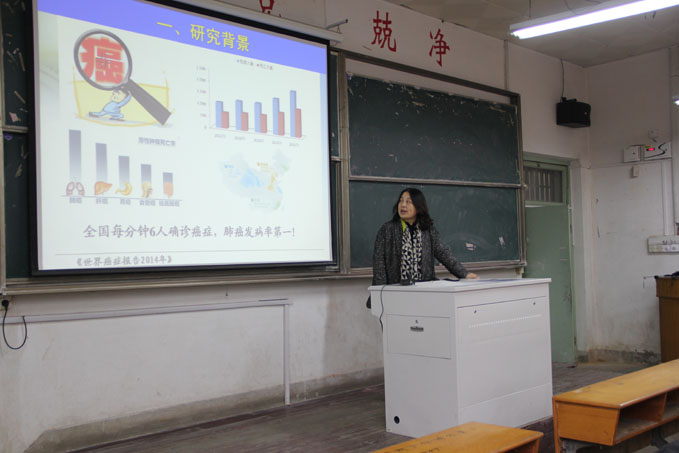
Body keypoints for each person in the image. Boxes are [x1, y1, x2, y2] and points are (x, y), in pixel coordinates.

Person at [372, 188, 478, 288]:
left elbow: (444, 254)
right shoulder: (387, 230)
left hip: (424, 290)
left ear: (418, 207)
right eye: (401, 201)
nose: (403, 205)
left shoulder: (428, 230)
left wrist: (464, 274)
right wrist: (381, 291)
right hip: (394, 291)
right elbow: (379, 264)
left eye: (408, 202)